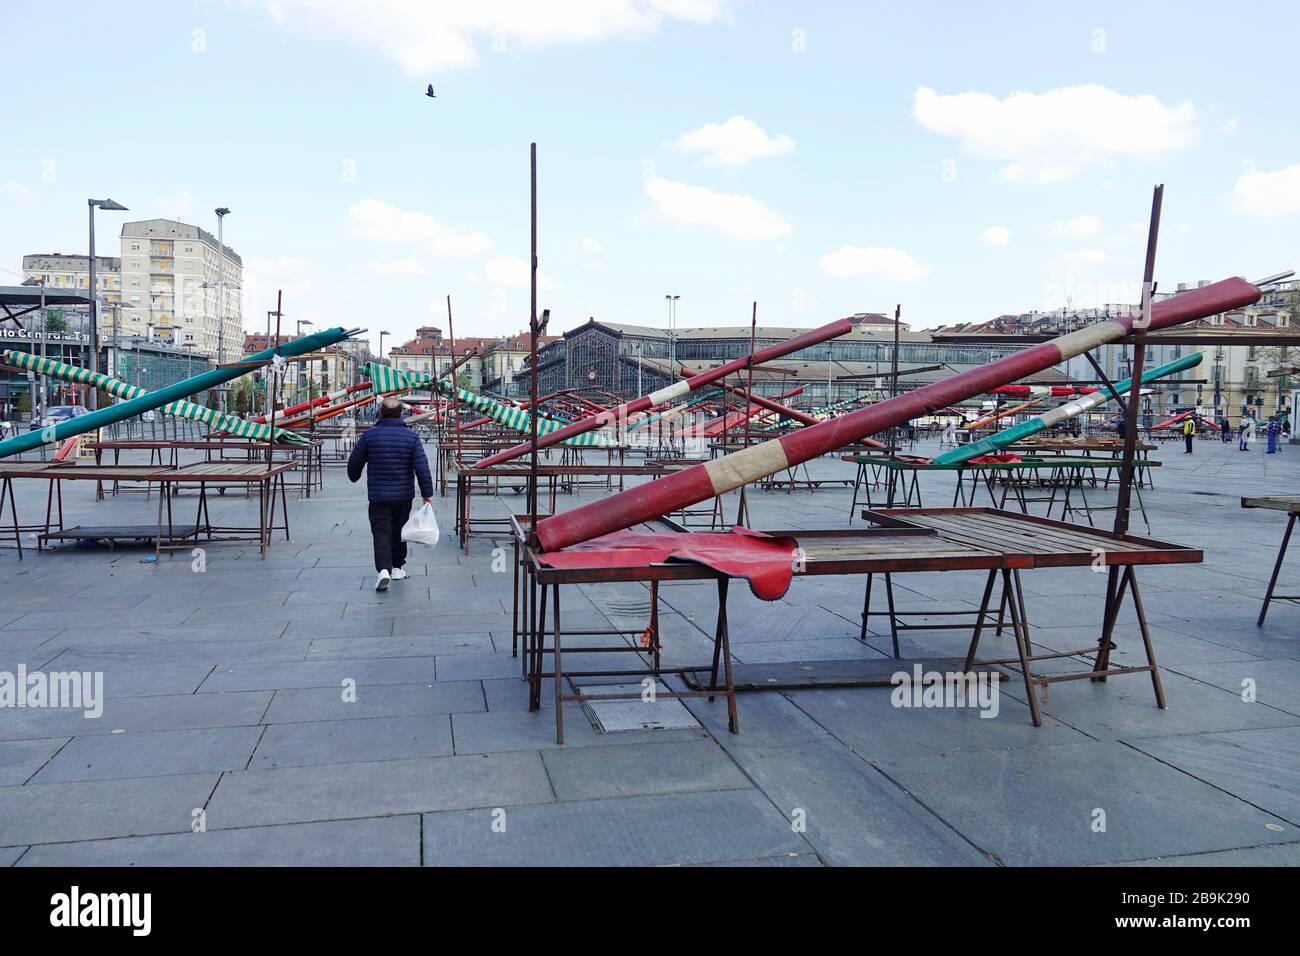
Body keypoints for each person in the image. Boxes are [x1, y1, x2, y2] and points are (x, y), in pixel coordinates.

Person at [347, 398, 434, 591]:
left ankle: (383, 571)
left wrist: (354, 476)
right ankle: (397, 567)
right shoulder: (411, 437)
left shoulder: (370, 436)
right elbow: (422, 467)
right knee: (399, 530)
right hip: (404, 495)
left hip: (378, 496)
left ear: (380, 413)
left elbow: (354, 463)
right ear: (401, 414)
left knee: (381, 531)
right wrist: (427, 493)